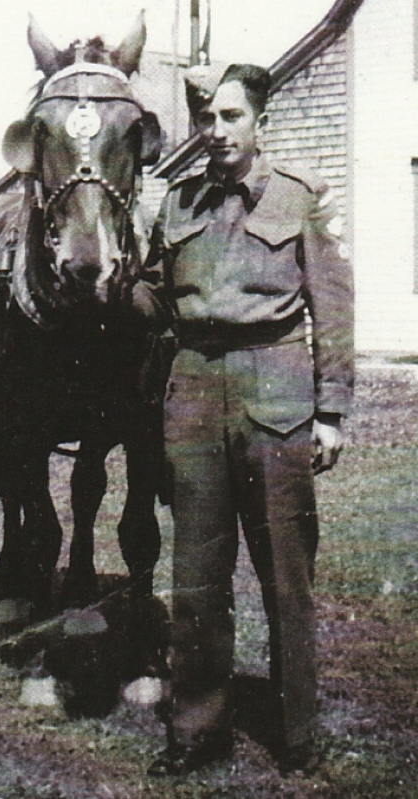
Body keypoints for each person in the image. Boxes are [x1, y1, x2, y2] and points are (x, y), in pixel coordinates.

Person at [141, 62, 354, 775]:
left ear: (259, 122)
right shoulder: (177, 202)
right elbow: (152, 299)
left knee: (284, 573)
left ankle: (297, 734)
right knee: (198, 573)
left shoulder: (300, 197)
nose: (216, 131)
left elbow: (333, 306)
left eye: (230, 116)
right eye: (206, 117)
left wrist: (330, 411)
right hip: (195, 388)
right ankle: (197, 729)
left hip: (276, 390)